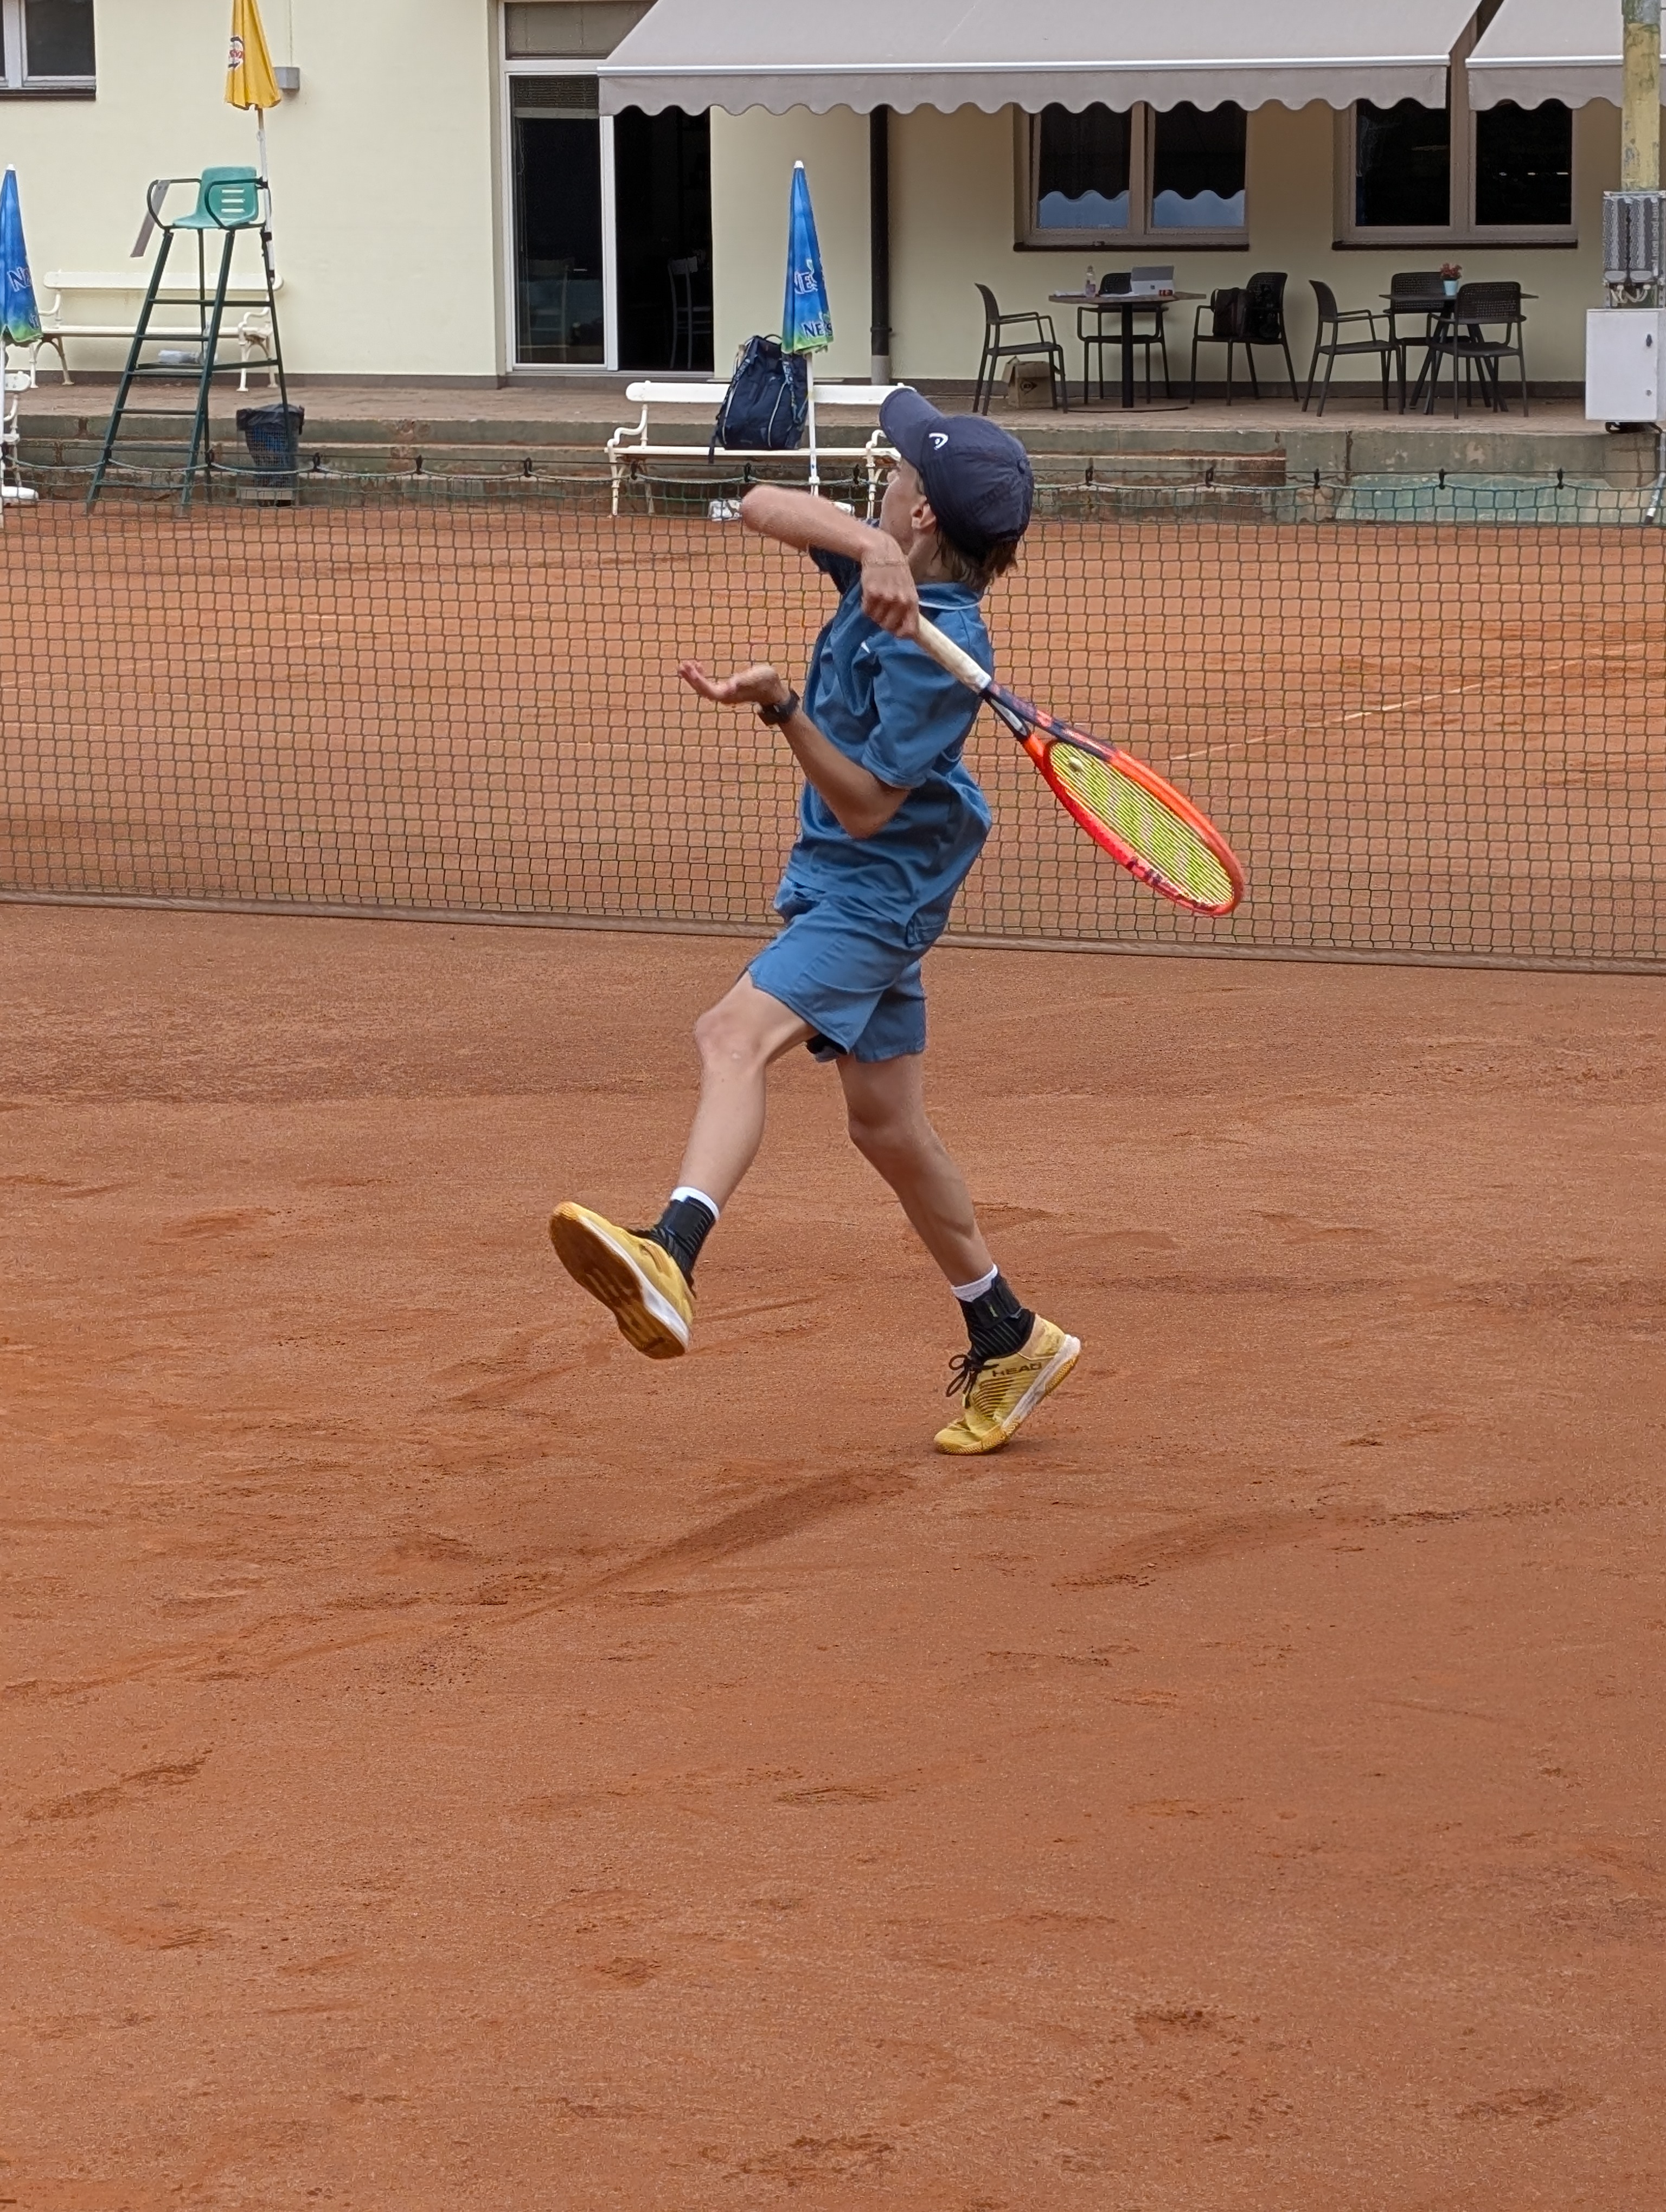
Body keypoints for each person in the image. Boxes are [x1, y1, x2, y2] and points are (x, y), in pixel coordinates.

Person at [550, 390, 1079, 1455]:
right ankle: (1008, 1333)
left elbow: (868, 805)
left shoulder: (936, 651)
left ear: (923, 513)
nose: (880, 478)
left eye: (897, 475)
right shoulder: (882, 574)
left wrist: (783, 708)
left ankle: (672, 1252)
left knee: (729, 1036)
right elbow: (761, 503)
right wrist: (867, 550)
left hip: (873, 894)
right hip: (854, 880)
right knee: (885, 1126)